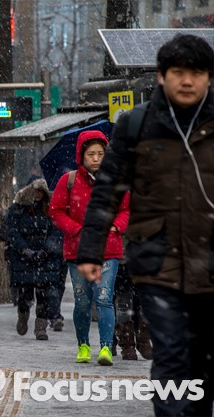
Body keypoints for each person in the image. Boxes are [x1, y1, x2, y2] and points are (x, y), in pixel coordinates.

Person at [77, 34, 214, 416]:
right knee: (170, 352)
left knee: (203, 357)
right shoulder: (136, 124)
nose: (187, 81)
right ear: (161, 76)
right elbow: (107, 190)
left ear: (208, 77)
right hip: (157, 261)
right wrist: (90, 250)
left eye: (197, 73)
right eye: (178, 72)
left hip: (209, 260)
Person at [49, 130, 130, 366]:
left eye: (100, 154)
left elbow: (126, 209)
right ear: (82, 156)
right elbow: (56, 211)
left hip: (108, 250)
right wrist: (76, 229)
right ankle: (83, 345)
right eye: (91, 154)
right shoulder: (69, 181)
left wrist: (116, 226)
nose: (96, 158)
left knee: (104, 298)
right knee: (82, 301)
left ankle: (105, 347)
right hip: (78, 251)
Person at [5, 177, 64, 341]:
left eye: (41, 192)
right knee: (25, 294)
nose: (38, 195)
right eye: (36, 191)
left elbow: (58, 231)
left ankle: (41, 327)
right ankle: (23, 314)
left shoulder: (52, 209)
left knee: (44, 296)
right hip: (24, 258)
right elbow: (12, 230)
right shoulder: (19, 209)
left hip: (46, 258)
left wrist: (46, 250)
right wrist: (24, 250)